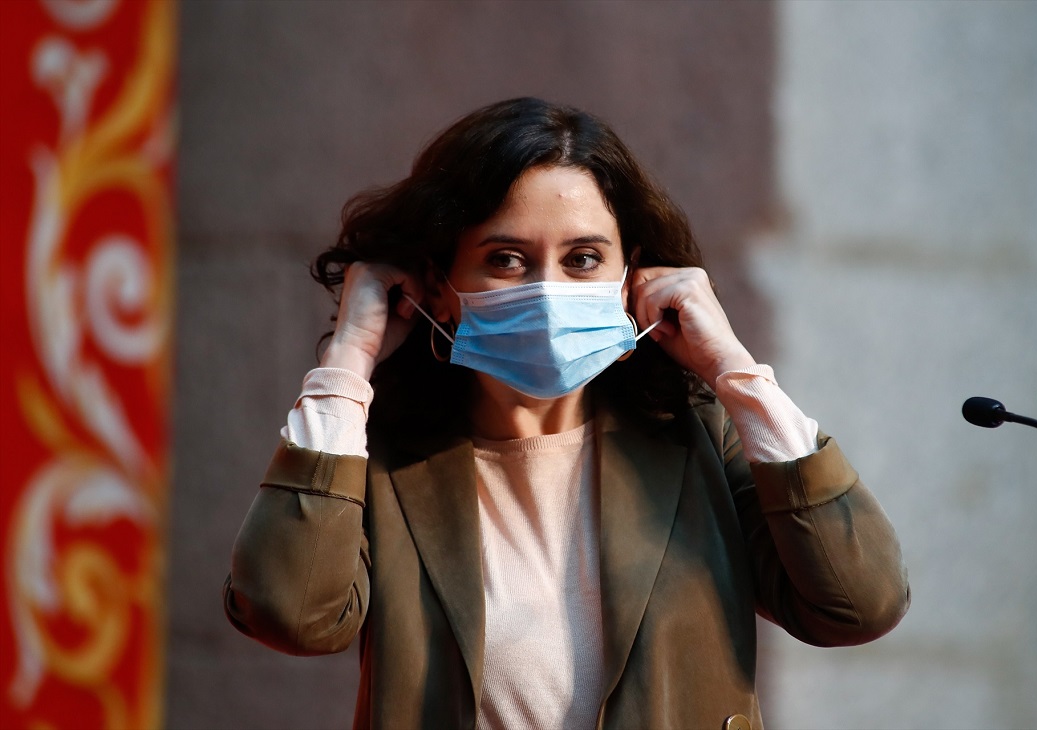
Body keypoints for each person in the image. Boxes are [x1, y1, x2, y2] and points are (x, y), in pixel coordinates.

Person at [223, 97, 909, 730]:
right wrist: (351, 356)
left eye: (583, 258)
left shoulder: (696, 434)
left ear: (629, 274)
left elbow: (857, 603)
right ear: (438, 285)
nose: (548, 292)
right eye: (506, 259)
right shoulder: (374, 457)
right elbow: (293, 616)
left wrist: (731, 369)